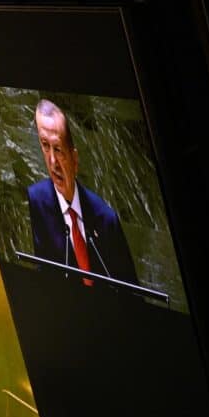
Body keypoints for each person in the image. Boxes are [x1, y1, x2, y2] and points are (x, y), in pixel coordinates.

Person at [27, 99, 137, 286]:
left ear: (75, 159)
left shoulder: (107, 220)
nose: (52, 162)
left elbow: (132, 293)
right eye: (45, 146)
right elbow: (44, 272)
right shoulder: (37, 199)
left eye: (59, 149)